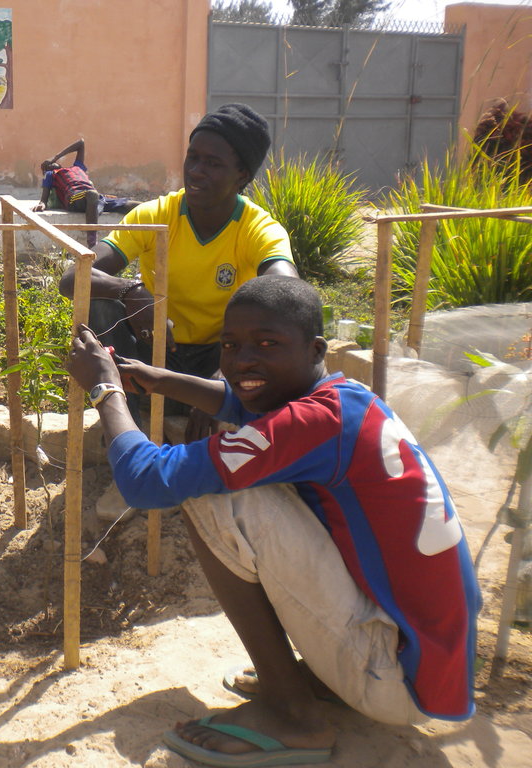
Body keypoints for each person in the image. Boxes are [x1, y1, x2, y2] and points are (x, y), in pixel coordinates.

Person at [67, 275, 481, 766]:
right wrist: (155, 378)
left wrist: (105, 389)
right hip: (426, 662)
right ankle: (322, 677)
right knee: (239, 472)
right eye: (230, 345)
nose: (242, 360)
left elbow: (147, 481)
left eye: (267, 344)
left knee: (214, 496)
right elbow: (245, 403)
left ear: (315, 349)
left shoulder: (311, 423)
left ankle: (293, 715)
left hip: (395, 678)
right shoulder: (346, 399)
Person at [58, 103, 298, 438]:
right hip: (155, 356)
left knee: (281, 328)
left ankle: (226, 417)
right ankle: (129, 437)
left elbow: (290, 297)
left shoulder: (258, 230)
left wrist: (226, 376)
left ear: (242, 175)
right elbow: (73, 279)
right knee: (99, 300)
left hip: (220, 362)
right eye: (193, 157)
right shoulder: (156, 215)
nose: (197, 171)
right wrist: (132, 292)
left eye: (213, 163)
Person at [33, 137, 141, 247]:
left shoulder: (77, 167)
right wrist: (42, 203)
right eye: (45, 167)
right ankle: (92, 244)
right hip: (74, 198)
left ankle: (157, 212)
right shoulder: (51, 174)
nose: (48, 165)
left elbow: (81, 143)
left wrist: (55, 158)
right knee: (92, 194)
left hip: (94, 198)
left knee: (130, 204)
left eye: (47, 164)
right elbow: (44, 197)